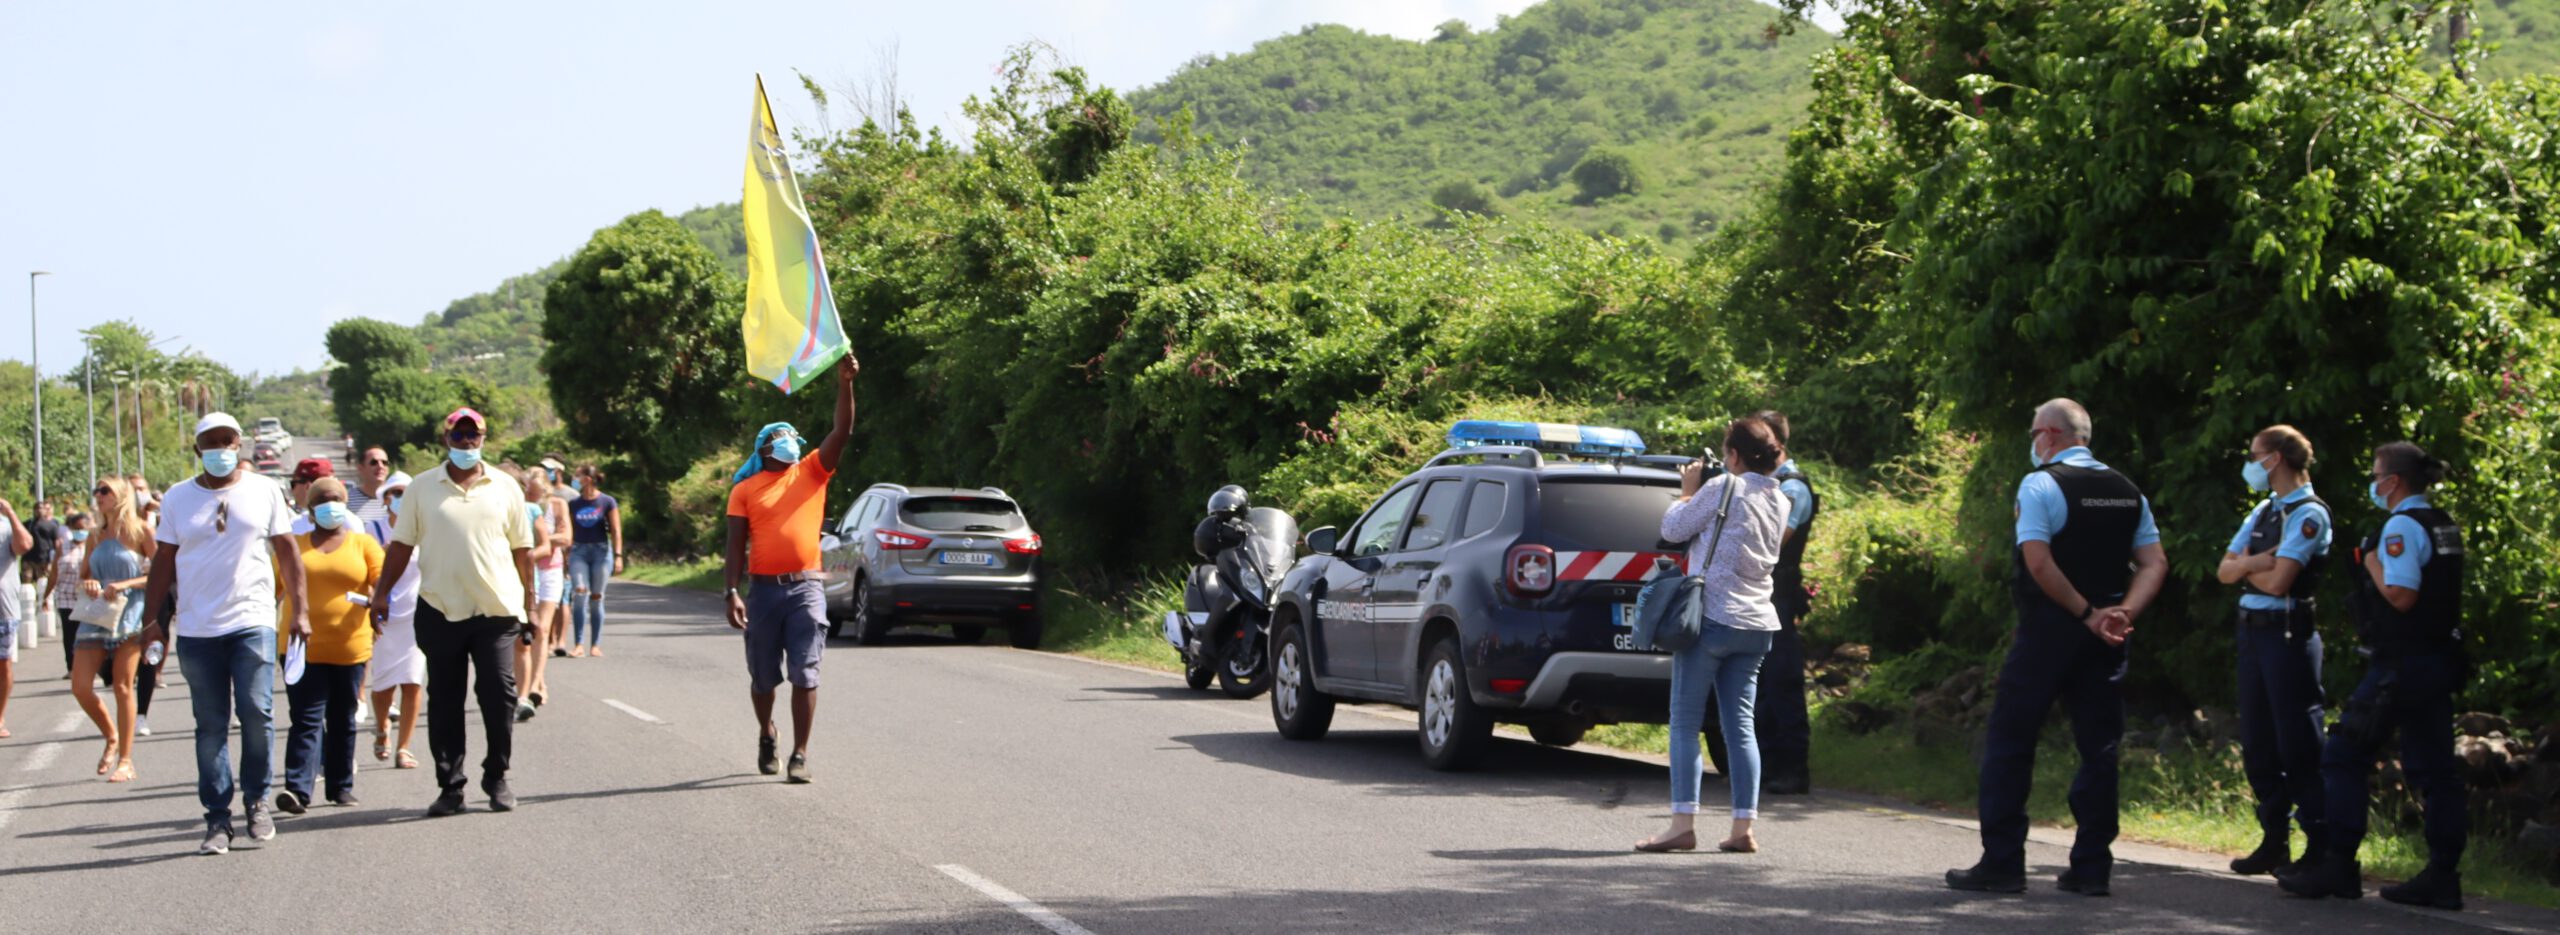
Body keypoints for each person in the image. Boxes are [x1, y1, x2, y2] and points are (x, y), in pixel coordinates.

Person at [1947, 398, 2167, 897]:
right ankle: (2092, 867)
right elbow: (2154, 563)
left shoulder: (2041, 483)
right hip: (2108, 636)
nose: (2032, 442)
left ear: (2048, 434)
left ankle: (2003, 863)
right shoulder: (2127, 490)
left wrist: (2086, 614)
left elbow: (2039, 564)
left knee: (2010, 741)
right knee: (2099, 748)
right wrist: (2122, 613)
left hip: (2052, 630)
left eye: (2032, 433)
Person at [2278, 441, 2469, 910]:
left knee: (2343, 755)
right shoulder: (2443, 524)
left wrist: (2373, 562)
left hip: (2402, 664)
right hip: (2438, 660)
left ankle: (2339, 864)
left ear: (2394, 481)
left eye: (2376, 473)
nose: (2373, 481)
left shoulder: (2401, 526)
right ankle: (2443, 874)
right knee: (2437, 771)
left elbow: (2401, 595)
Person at [142, 412, 308, 855]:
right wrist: (150, 621)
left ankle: (256, 800)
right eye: (210, 443)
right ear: (198, 449)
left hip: (252, 620)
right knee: (211, 725)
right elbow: (163, 561)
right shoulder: (178, 498)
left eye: (227, 441)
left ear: (240, 445)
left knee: (257, 712)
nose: (220, 449)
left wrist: (299, 611)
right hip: (198, 629)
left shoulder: (264, 490)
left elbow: (288, 552)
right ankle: (217, 818)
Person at [1636, 417, 1792, 854]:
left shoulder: (1723, 487)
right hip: (1758, 623)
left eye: (1726, 453)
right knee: (1740, 727)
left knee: (1685, 722)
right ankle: (1743, 830)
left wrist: (1687, 490)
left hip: (1713, 619)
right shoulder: (1779, 499)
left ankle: (1681, 825)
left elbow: (1672, 530)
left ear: (1735, 456)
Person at [371, 407, 536, 817]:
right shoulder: (423, 487)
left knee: (498, 693)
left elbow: (523, 550)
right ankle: (451, 786)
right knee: (445, 700)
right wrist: (381, 594)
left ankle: (496, 774)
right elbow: (401, 546)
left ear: (484, 437)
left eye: (473, 435)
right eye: (458, 435)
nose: (466, 442)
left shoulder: (506, 487)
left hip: (496, 609)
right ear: (446, 439)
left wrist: (528, 606)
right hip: (440, 608)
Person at [723, 356, 858, 784]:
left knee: (806, 670)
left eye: (791, 435)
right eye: (779, 437)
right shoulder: (744, 491)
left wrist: (845, 383)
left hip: (806, 588)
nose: (788, 441)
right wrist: (731, 591)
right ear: (764, 449)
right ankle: (767, 732)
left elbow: (842, 430)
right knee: (764, 678)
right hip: (763, 592)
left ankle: (800, 753)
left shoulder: (813, 472)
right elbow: (734, 545)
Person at [2216, 426, 2332, 876]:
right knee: (2259, 740)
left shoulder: (2308, 515)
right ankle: (2274, 838)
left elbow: (2282, 582)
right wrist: (2255, 564)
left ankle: (2320, 844)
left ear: (2276, 459)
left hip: (2286, 632)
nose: (2250, 463)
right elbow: (2224, 570)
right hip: (2252, 631)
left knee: (2298, 741)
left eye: (2254, 455)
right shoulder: (2266, 510)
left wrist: (2248, 568)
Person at [1705, 410, 1817, 795]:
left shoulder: (1792, 488)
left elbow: (1771, 544)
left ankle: (1793, 768)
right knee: (1763, 684)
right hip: (1760, 594)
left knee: (1783, 682)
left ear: (1776, 443)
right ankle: (1767, 765)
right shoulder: (1766, 486)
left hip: (1780, 595)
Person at [277, 477, 382, 812]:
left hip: (350, 646)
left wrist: (378, 601)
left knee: (342, 718)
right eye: (322, 498)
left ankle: (340, 786)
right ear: (310, 508)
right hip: (301, 646)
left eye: (336, 497)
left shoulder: (363, 544)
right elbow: (272, 589)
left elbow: (381, 581)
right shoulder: (294, 545)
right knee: (306, 719)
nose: (331, 503)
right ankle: (298, 789)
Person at [71, 479, 155, 783]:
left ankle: (126, 760)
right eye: (96, 490)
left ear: (120, 496)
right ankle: (111, 735)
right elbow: (85, 575)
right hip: (95, 615)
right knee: (80, 686)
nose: (98, 495)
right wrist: (91, 583)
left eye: (104, 490)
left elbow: (159, 573)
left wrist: (125, 584)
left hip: (130, 615)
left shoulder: (141, 530)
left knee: (122, 687)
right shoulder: (95, 534)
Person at [366, 476, 423, 769]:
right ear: (385, 497)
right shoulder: (373, 529)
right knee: (384, 684)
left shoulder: (423, 528)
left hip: (416, 613)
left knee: (412, 681)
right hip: (384, 613)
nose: (400, 496)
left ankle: (404, 747)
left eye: (405, 492)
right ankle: (381, 728)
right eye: (395, 492)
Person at [512, 468, 568, 721]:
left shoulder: (556, 505)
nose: (531, 495)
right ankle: (537, 680)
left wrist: (542, 540)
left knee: (543, 630)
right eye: (528, 491)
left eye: (535, 492)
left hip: (550, 570)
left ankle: (534, 684)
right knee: (531, 632)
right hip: (525, 572)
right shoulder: (519, 507)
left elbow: (566, 537)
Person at [564, 465, 622, 658]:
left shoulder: (607, 501)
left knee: (597, 598)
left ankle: (595, 645)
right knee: (579, 593)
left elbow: (615, 530)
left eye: (578, 476)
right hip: (578, 550)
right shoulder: (574, 503)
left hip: (601, 551)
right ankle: (578, 644)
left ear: (588, 479)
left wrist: (619, 556)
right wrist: (566, 556)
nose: (576, 479)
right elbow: (569, 530)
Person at [0, 495, 27, 740]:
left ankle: (0, 716)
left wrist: (10, 512)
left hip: (3, 609)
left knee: (3, 664)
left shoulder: (6, 526)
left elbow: (25, 546)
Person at [52, 515, 90, 678]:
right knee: (69, 635)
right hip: (66, 597)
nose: (80, 532)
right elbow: (54, 573)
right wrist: (46, 597)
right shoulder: (63, 547)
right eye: (77, 528)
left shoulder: (92, 546)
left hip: (87, 598)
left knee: (87, 634)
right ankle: (72, 668)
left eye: (83, 528)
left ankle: (89, 667)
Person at [347, 446, 395, 531]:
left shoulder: (398, 498)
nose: (380, 466)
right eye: (374, 462)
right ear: (360, 468)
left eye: (384, 462)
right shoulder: (347, 499)